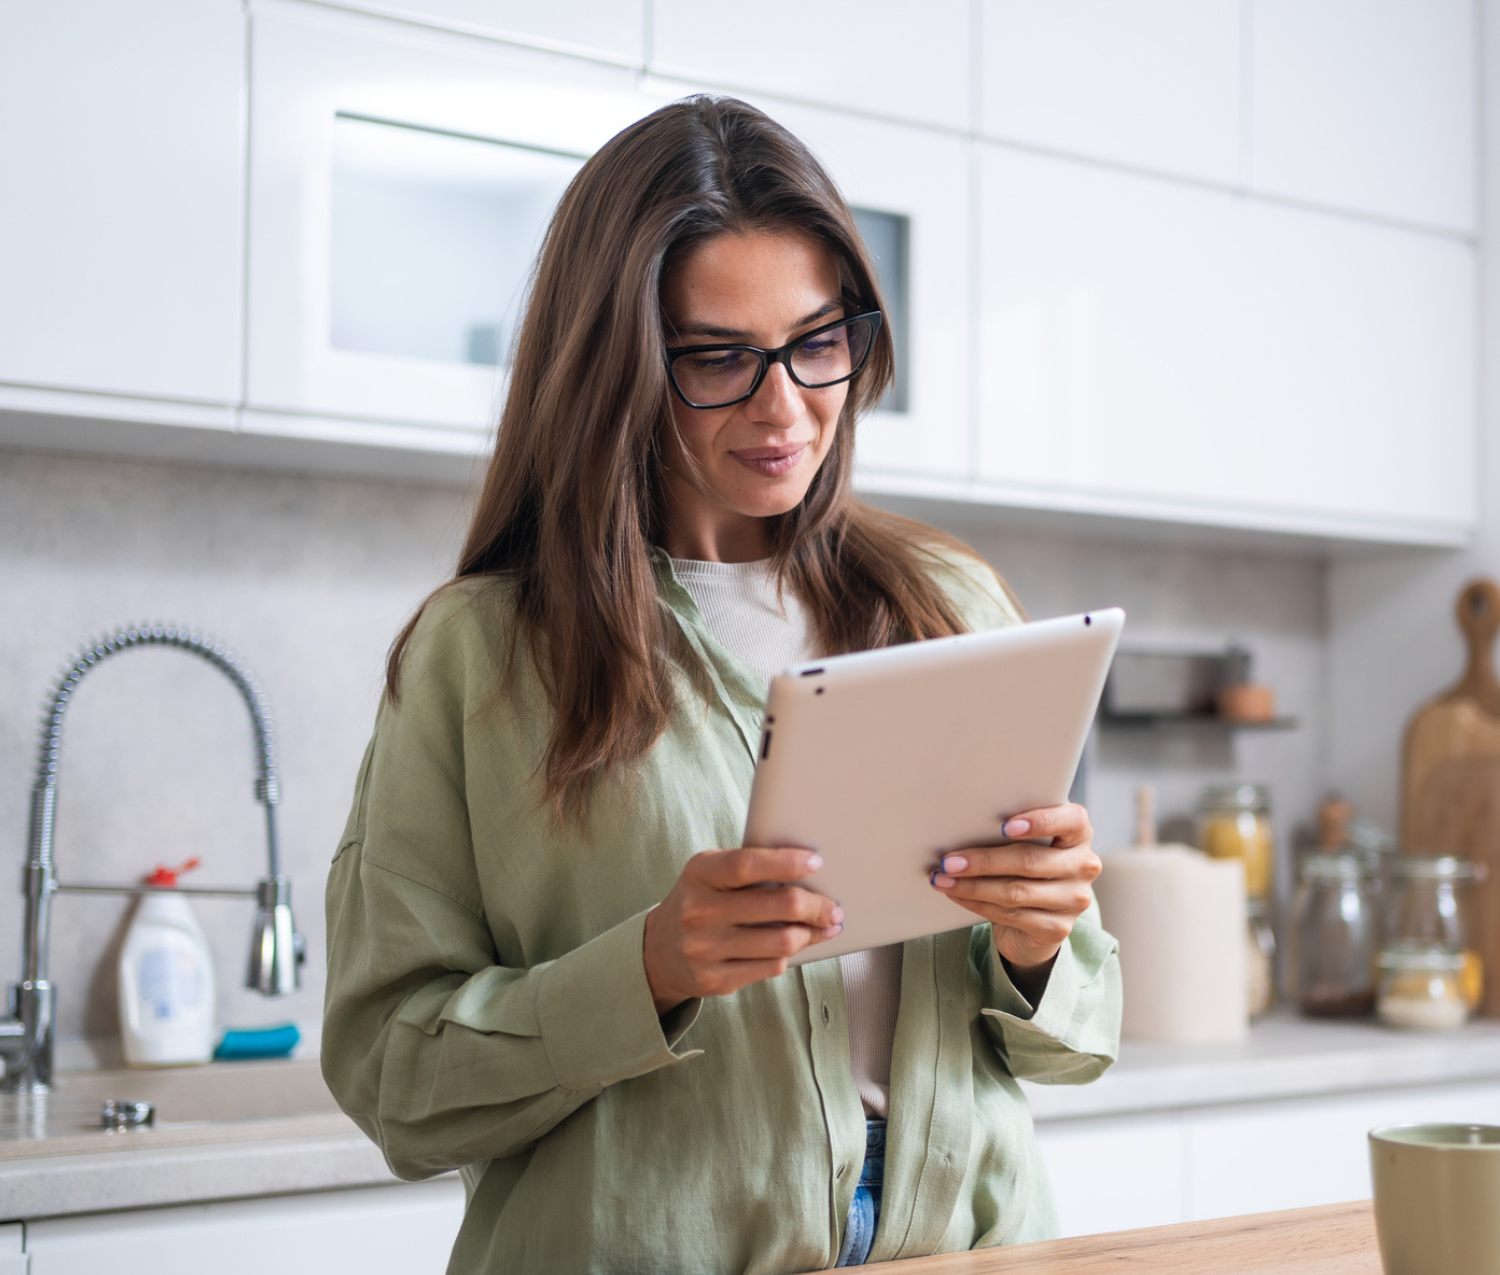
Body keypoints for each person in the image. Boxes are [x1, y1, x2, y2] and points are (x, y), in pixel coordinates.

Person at [322, 95, 1121, 1275]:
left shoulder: (951, 603)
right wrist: (645, 970)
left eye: (818, 342)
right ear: (618, 365)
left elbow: (1078, 1041)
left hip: (967, 1251)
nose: (785, 406)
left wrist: (1041, 942)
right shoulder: (481, 656)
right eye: (716, 359)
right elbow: (395, 1080)